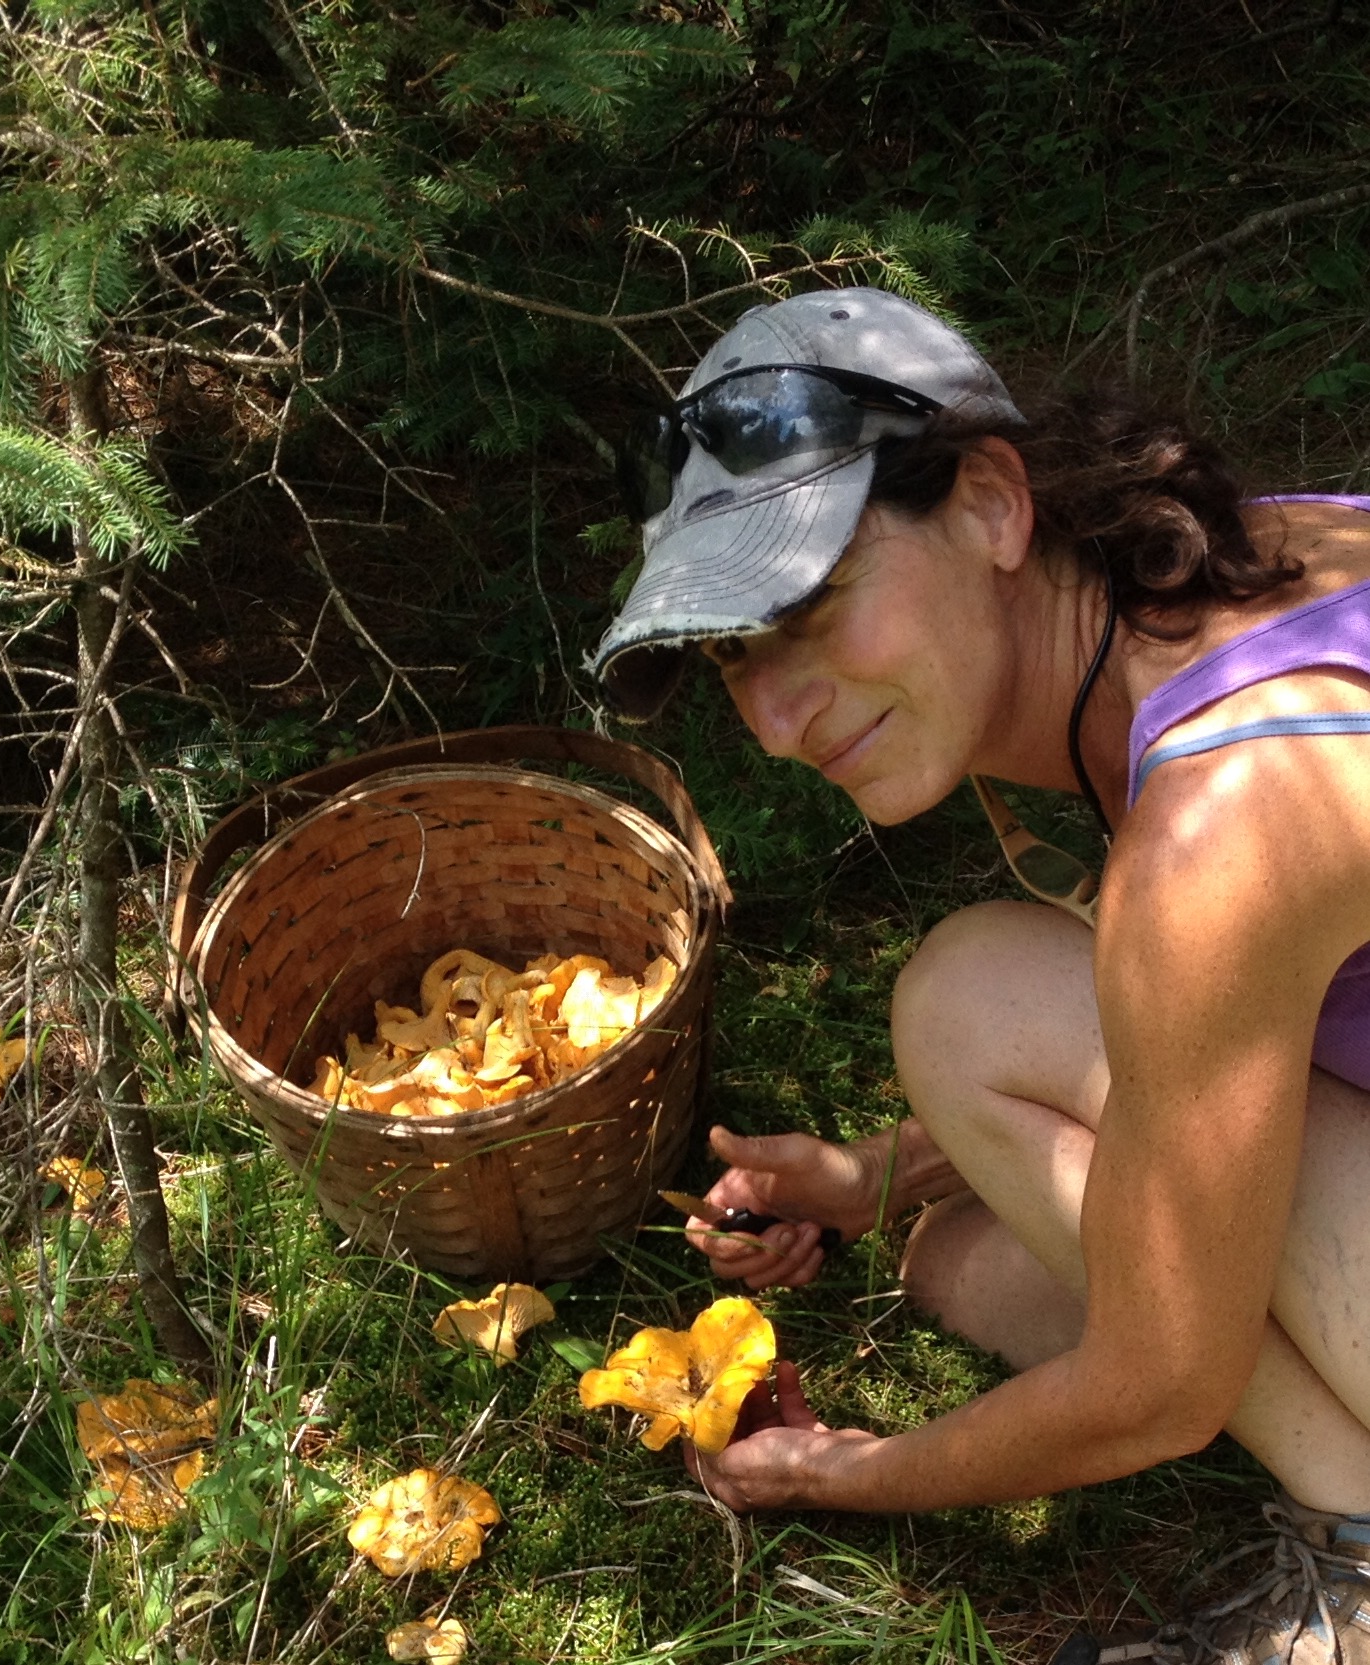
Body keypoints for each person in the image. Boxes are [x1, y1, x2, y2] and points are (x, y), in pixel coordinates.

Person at [586, 287, 1370, 1665]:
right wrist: (882, 1177)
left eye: (811, 603)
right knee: (966, 1262)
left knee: (966, 1001)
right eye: (730, 654)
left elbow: (1157, 1389)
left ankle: (1354, 1559)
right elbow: (1212, 1043)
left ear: (994, 504)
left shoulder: (1223, 824)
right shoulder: (1253, 568)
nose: (771, 718)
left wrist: (844, 1471)